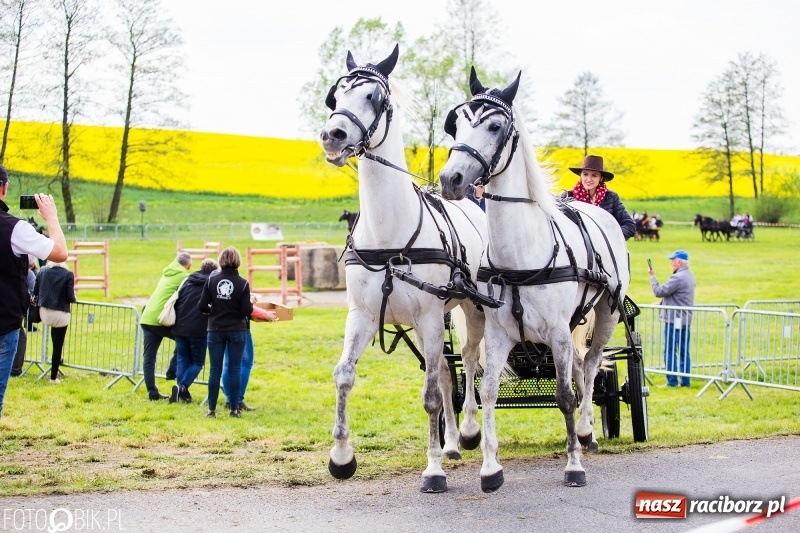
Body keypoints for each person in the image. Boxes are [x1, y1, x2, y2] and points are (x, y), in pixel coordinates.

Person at [0, 163, 68, 417]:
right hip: (4, 322)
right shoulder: (14, 228)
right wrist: (51, 217)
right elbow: (60, 253)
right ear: (5, 188)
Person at [199, 246, 276, 418]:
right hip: (237, 330)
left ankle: (211, 410)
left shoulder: (211, 281)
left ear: (221, 260)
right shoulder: (242, 283)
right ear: (238, 262)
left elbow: (202, 306)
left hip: (215, 329)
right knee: (234, 369)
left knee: (215, 370)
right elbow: (245, 309)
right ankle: (234, 409)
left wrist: (214, 310)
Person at [140, 252, 192, 400]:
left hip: (147, 316)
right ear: (189, 266)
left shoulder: (166, 272)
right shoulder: (184, 276)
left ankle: (152, 392)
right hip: (161, 318)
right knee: (184, 339)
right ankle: (172, 370)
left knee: (149, 357)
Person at [170, 257, 219, 404]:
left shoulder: (188, 280)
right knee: (197, 362)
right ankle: (182, 387)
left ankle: (182, 394)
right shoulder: (212, 284)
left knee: (182, 359)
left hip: (179, 326)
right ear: (215, 270)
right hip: (198, 328)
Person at [648, 249, 696, 388]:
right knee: (683, 351)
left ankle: (672, 381)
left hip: (674, 319)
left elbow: (659, 291)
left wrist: (652, 277)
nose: (671, 264)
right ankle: (685, 381)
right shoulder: (689, 275)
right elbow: (679, 297)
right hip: (685, 319)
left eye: (673, 261)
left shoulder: (678, 277)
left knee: (670, 350)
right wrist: (662, 304)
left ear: (679, 262)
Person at [563, 154, 636, 240]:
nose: (589, 179)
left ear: (601, 178)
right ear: (580, 176)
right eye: (585, 174)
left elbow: (629, 225)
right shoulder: (567, 197)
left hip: (604, 251)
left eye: (594, 175)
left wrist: (611, 239)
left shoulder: (611, 197)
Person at [33, 261, 76, 383]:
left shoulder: (42, 271)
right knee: (58, 345)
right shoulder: (68, 274)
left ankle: (56, 361)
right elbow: (70, 297)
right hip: (60, 314)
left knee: (54, 338)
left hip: (45, 312)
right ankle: (53, 377)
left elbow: (36, 291)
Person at [11, 255, 37, 377]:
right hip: (15, 311)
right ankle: (15, 369)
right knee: (20, 337)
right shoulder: (29, 274)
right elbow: (30, 293)